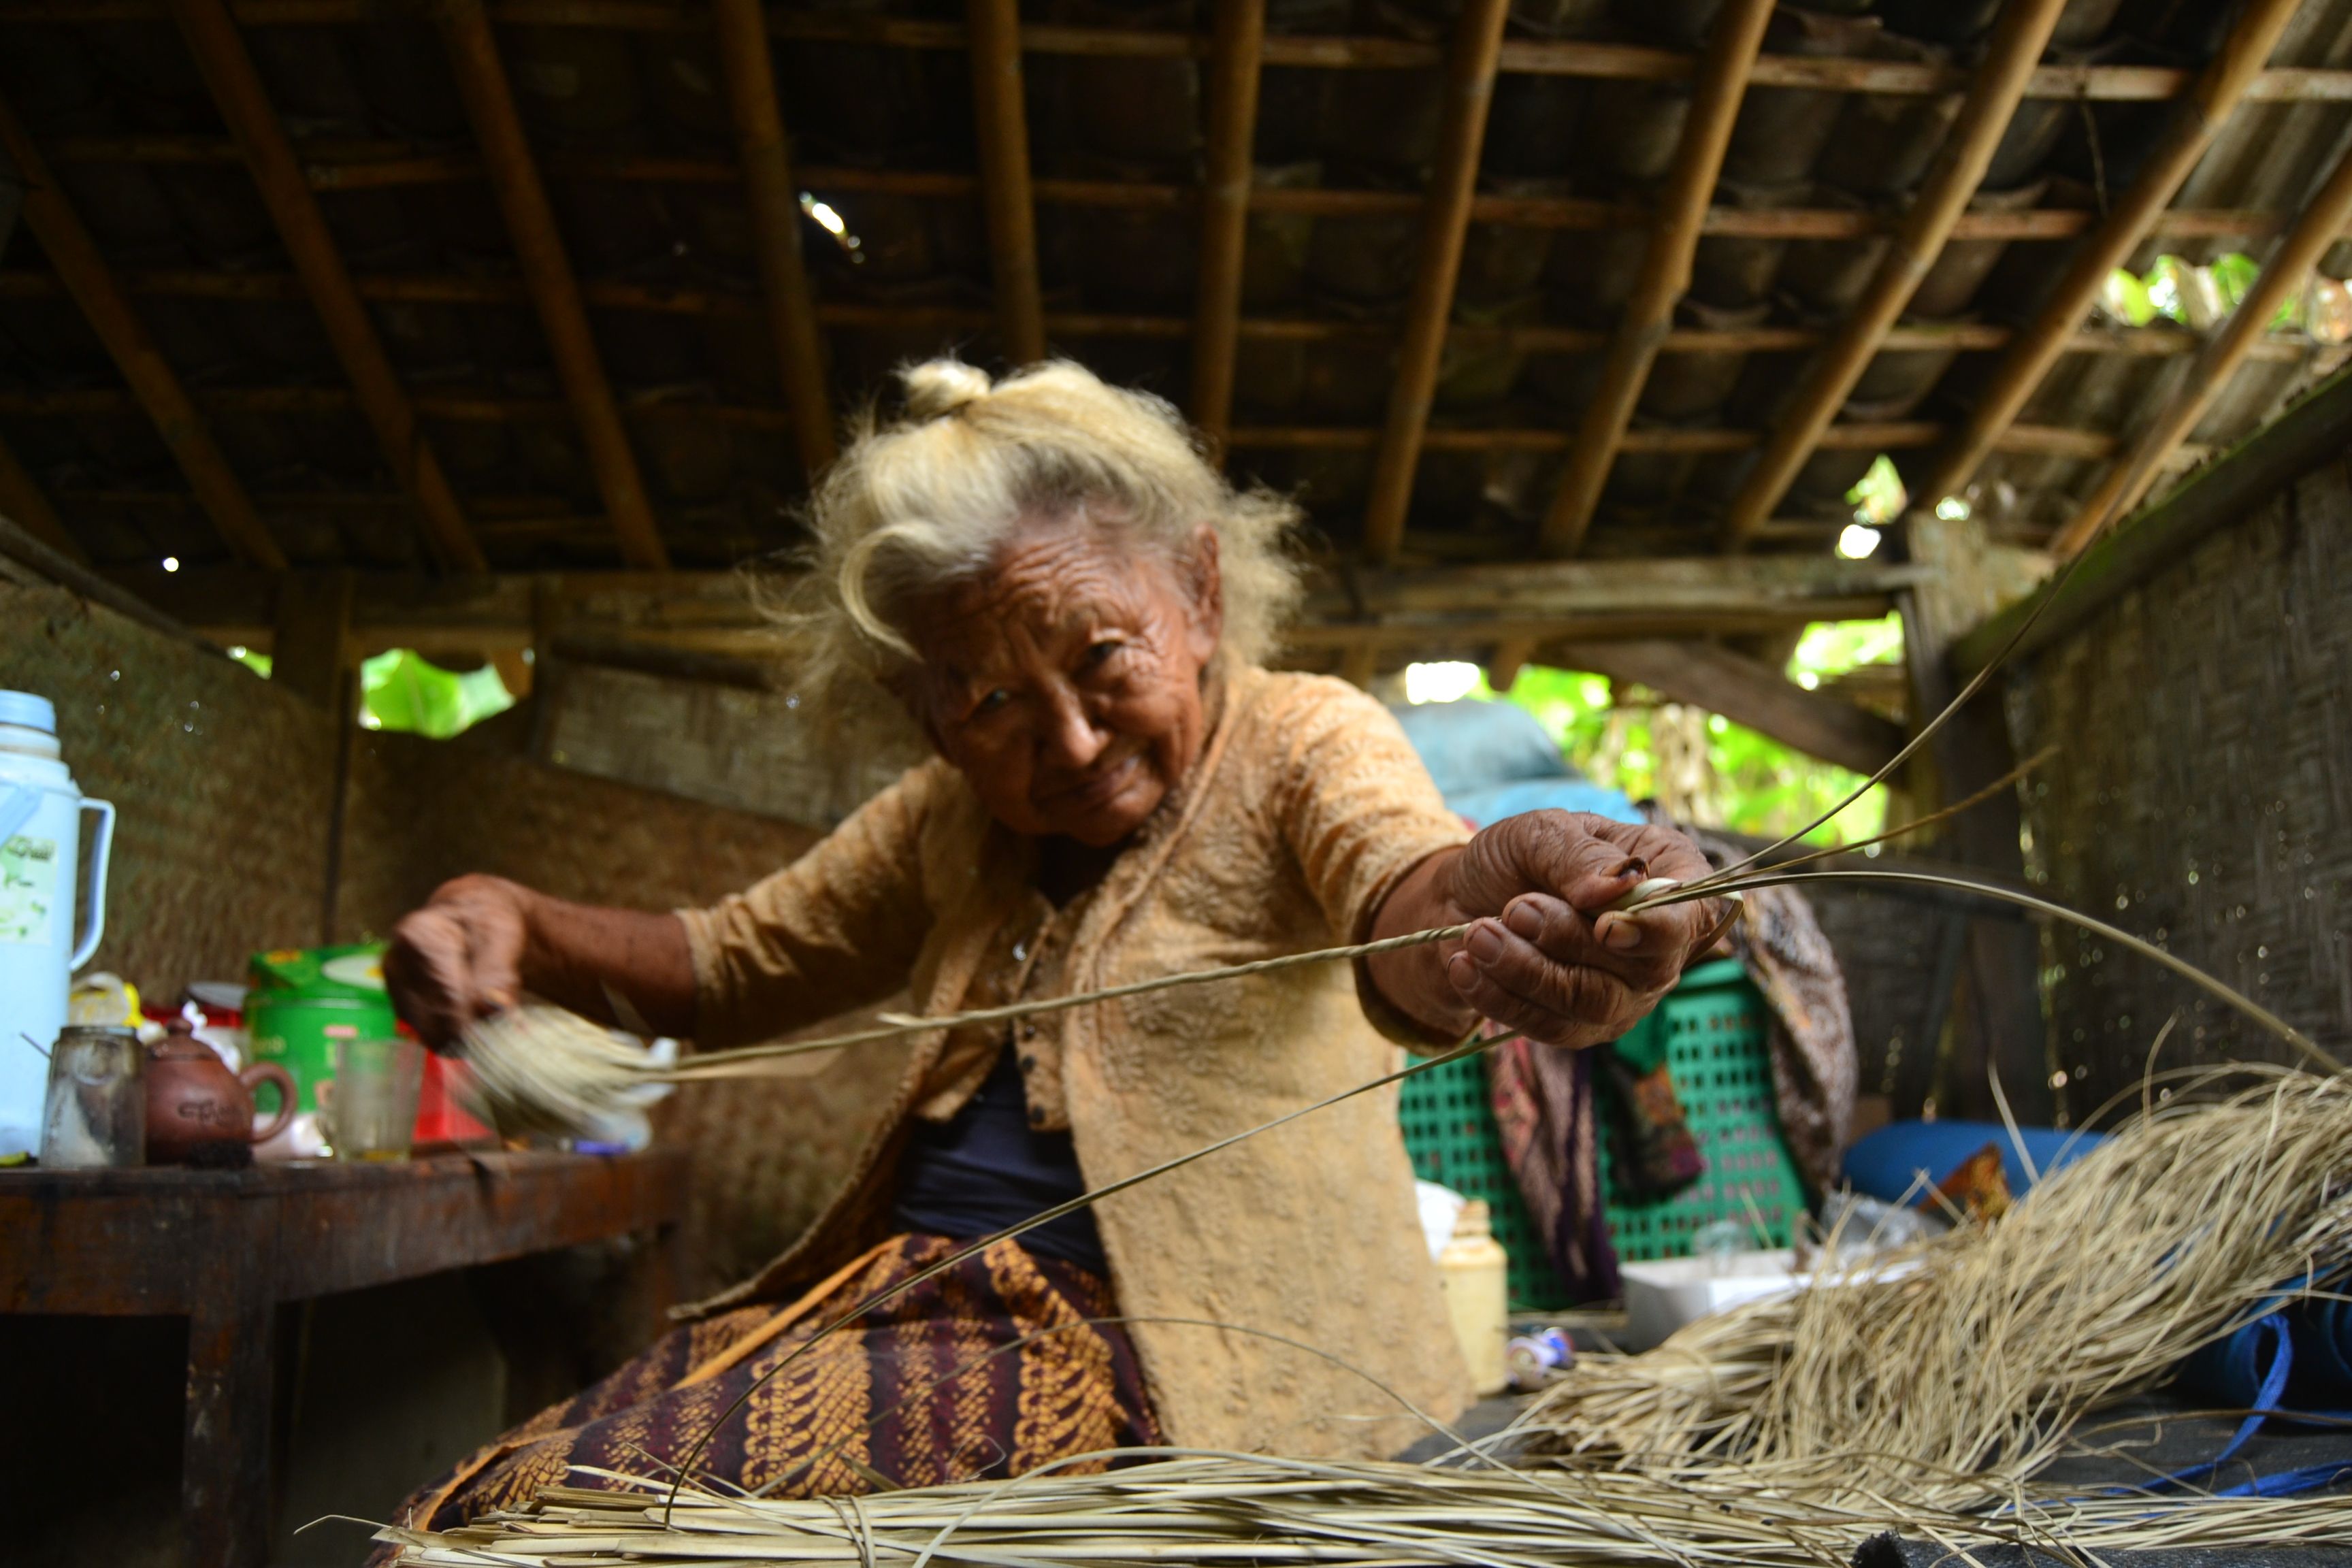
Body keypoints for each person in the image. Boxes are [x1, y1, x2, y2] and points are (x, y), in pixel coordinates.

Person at [380, 358, 1725, 1531]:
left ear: (1197, 593)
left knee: (601, 1524)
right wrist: (518, 927)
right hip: (906, 1303)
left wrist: (1486, 912)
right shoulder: (943, 822)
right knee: (508, 1501)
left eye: (1104, 658)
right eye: (992, 701)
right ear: (924, 712)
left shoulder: (1303, 741)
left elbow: (1406, 896)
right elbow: (727, 965)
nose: (1072, 741)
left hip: (1152, 1344)